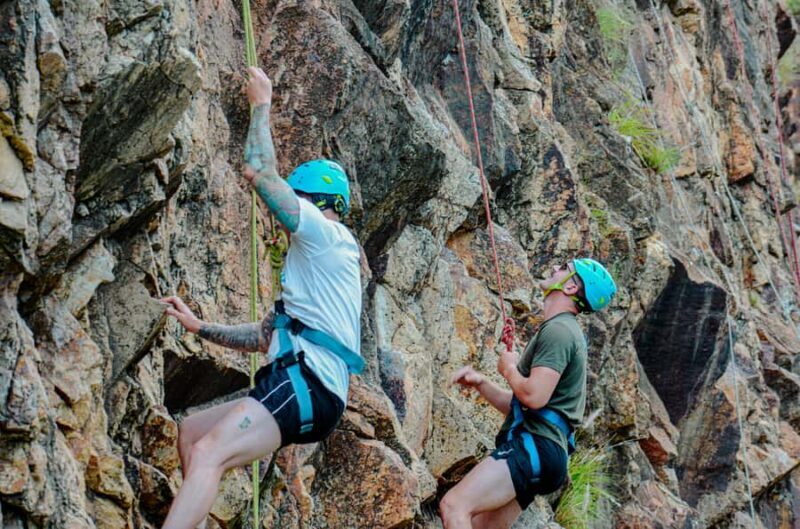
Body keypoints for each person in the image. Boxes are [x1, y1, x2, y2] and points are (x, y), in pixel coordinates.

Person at [159, 67, 363, 529]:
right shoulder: (320, 264)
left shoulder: (324, 233)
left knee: (210, 452)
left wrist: (261, 104)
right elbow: (267, 336)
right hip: (301, 384)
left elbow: (259, 172)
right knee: (194, 437)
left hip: (307, 385)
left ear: (314, 199)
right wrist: (200, 328)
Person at [441, 258, 617, 528]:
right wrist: (482, 384)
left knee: (454, 506)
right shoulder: (563, 331)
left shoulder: (559, 331)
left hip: (535, 445)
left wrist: (510, 368)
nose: (554, 268)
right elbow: (527, 406)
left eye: (563, 268)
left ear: (570, 287)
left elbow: (534, 396)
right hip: (547, 454)